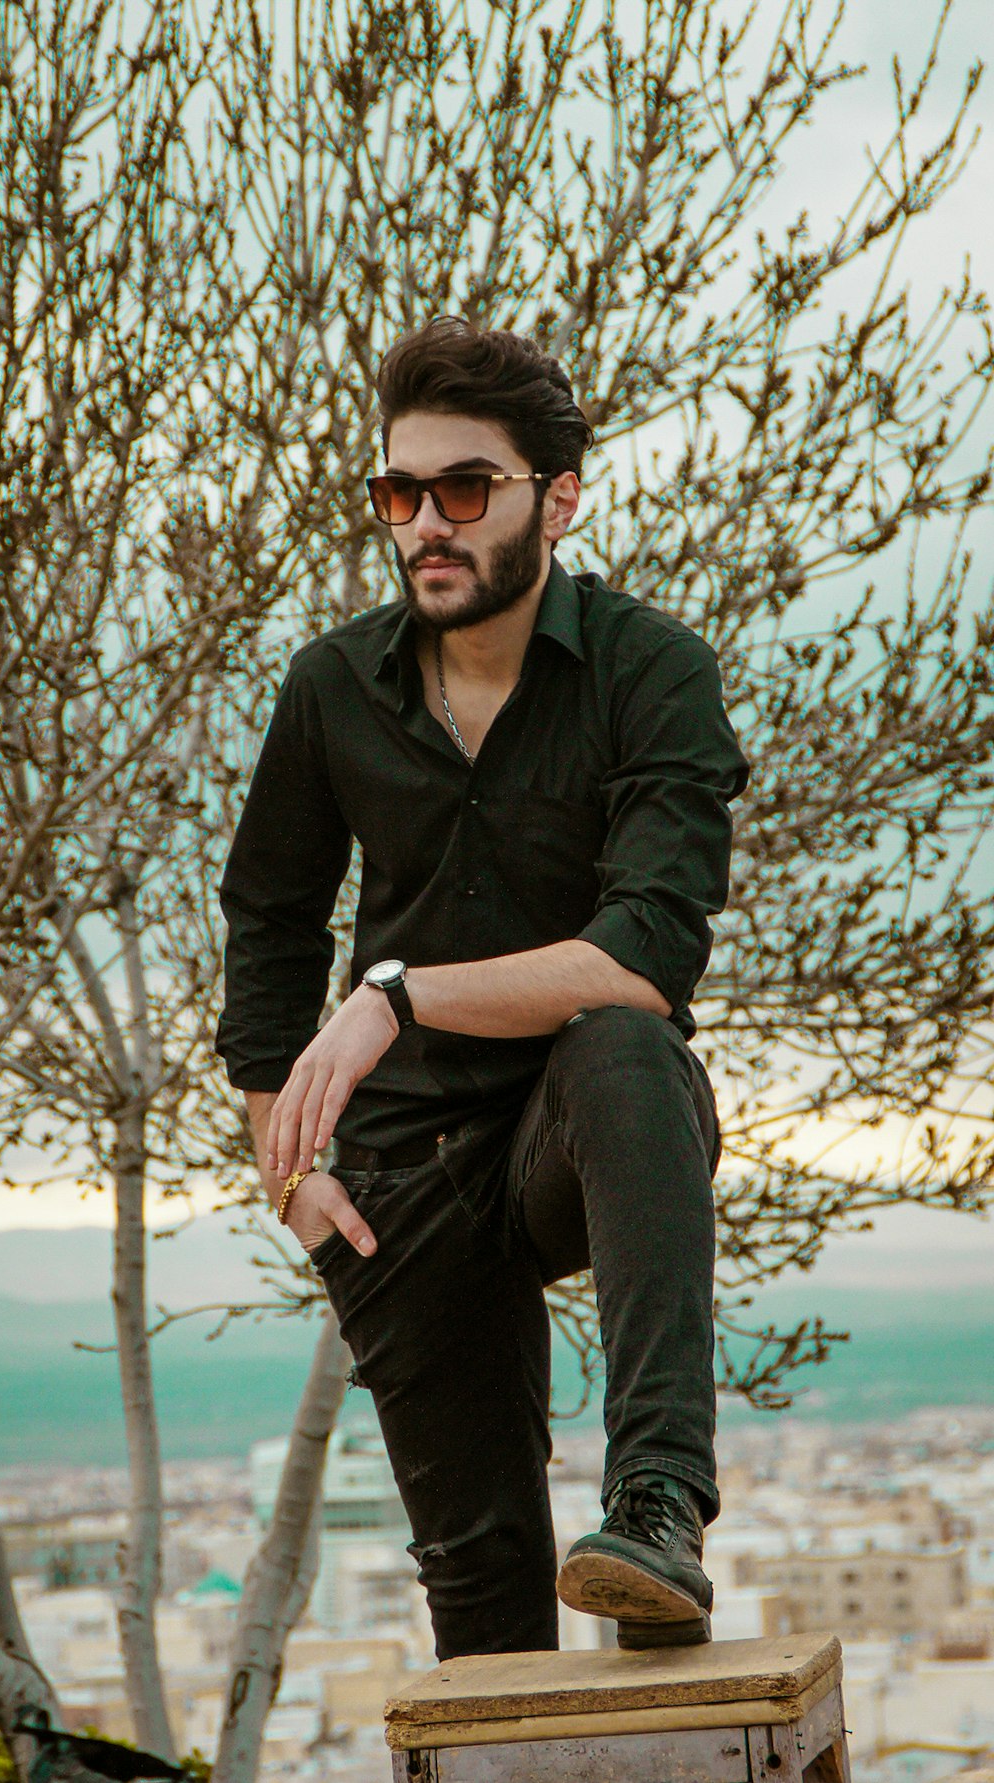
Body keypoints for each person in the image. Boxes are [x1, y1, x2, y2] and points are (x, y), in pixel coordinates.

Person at [216, 316, 750, 1662]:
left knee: (631, 1049)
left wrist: (395, 989)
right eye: (401, 493)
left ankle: (658, 1504)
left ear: (556, 499)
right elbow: (269, 924)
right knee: (490, 1613)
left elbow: (642, 954)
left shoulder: (654, 674)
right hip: (395, 1187)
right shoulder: (333, 686)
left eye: (466, 489)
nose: (426, 525)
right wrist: (287, 1168)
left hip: (572, 1139)